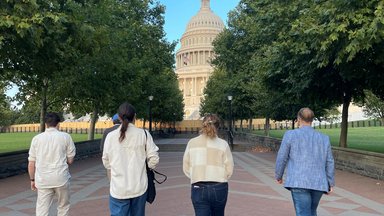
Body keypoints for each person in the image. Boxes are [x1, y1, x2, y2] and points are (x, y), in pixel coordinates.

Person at [275, 108, 335, 216]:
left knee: (303, 213)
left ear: (298, 119)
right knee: (312, 212)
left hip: (298, 181)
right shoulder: (324, 138)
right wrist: (330, 182)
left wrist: (278, 175)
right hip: (318, 182)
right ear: (312, 120)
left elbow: (282, 157)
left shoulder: (290, 135)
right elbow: (329, 161)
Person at [102, 102, 159, 216]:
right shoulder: (143, 134)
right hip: (139, 186)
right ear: (135, 117)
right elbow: (154, 159)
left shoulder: (111, 136)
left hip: (118, 187)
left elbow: (106, 161)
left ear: (118, 117)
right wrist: (146, 168)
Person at [183, 113, 234, 216]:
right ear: (218, 126)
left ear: (203, 125)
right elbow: (229, 168)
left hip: (198, 186)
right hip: (219, 186)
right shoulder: (223, 144)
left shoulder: (192, 143)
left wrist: (196, 175)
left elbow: (186, 166)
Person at [28, 112, 76, 216]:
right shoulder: (66, 137)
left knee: (42, 209)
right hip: (61, 177)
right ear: (58, 124)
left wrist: (32, 180)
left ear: (45, 124)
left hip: (42, 179)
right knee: (63, 206)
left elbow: (31, 163)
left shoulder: (36, 139)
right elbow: (70, 160)